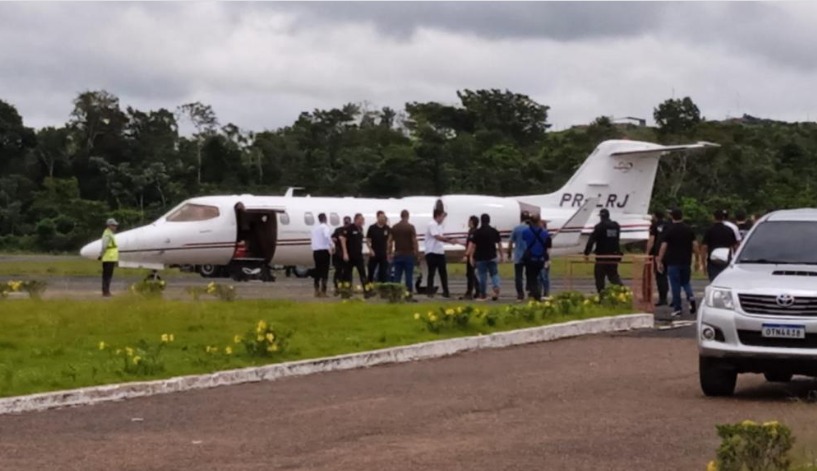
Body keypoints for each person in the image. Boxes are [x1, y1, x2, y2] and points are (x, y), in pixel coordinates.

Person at [657, 208, 701, 317]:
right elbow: (695, 245)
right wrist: (697, 258)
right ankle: (690, 297)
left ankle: (678, 308)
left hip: (673, 261)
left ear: (672, 216)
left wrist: (659, 260)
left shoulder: (669, 230)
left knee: (675, 285)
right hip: (686, 260)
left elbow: (663, 246)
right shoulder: (688, 229)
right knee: (686, 282)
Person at [583, 208, 623, 293]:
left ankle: (602, 295)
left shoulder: (599, 227)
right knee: (613, 276)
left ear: (601, 217)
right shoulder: (616, 226)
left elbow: (591, 240)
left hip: (602, 257)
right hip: (614, 256)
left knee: (599, 277)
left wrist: (586, 253)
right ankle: (623, 291)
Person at [467, 213, 504, 301]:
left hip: (480, 257)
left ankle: (483, 294)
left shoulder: (477, 232)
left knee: (482, 276)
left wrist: (471, 257)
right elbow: (499, 244)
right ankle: (496, 287)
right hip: (492, 256)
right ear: (489, 221)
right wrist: (502, 255)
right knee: (494, 274)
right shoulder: (494, 231)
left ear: (481, 221)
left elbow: (473, 246)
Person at [424, 209, 457, 298]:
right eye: (442, 216)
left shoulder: (439, 226)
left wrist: (449, 239)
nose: (443, 218)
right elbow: (437, 237)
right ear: (438, 216)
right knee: (432, 272)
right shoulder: (432, 224)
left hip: (439, 251)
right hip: (432, 251)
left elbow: (441, 237)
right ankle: (430, 292)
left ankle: (446, 291)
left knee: (443, 272)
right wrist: (449, 241)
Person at [388, 209, 419, 299]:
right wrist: (416, 253)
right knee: (408, 277)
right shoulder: (410, 227)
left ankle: (396, 295)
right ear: (408, 216)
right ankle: (408, 296)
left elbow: (389, 241)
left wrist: (389, 253)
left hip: (398, 254)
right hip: (408, 254)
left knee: (397, 276)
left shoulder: (395, 227)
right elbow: (414, 241)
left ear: (401, 216)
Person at [700, 209, 738, 282]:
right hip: (726, 258)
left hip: (713, 260)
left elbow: (704, 247)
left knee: (714, 280)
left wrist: (703, 262)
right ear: (723, 218)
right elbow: (735, 246)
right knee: (726, 280)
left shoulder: (710, 230)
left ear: (713, 217)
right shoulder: (729, 230)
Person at [522, 214, 549, 301]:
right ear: (539, 221)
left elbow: (524, 239)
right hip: (540, 259)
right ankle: (537, 293)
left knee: (532, 277)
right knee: (538, 276)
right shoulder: (545, 233)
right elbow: (547, 244)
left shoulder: (526, 231)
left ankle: (536, 294)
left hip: (530, 258)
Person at [645, 210, 670, 306]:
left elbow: (652, 240)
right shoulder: (668, 224)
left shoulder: (654, 226)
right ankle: (665, 297)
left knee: (660, 276)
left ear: (655, 216)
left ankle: (662, 299)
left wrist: (647, 253)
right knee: (665, 275)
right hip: (668, 253)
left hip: (657, 253)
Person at [340, 213, 369, 294]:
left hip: (358, 255)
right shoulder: (350, 228)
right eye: (360, 219)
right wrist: (345, 253)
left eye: (362, 220)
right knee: (347, 274)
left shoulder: (360, 229)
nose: (362, 221)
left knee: (362, 273)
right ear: (356, 220)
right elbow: (343, 240)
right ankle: (346, 291)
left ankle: (367, 290)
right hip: (350, 255)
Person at [508, 211, 531, 301]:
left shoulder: (516, 229)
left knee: (518, 276)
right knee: (530, 274)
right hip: (529, 255)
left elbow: (511, 242)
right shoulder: (530, 229)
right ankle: (529, 289)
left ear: (520, 218)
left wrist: (509, 253)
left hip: (518, 255)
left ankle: (520, 294)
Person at [310, 213, 334, 297]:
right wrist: (332, 245)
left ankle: (316, 290)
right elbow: (327, 236)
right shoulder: (325, 227)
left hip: (316, 251)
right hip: (324, 251)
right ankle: (323, 291)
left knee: (317, 270)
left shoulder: (314, 228)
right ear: (325, 218)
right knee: (325, 271)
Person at [366, 210, 391, 284]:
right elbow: (368, 240)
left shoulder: (387, 228)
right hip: (374, 253)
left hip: (383, 254)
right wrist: (370, 250)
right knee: (371, 271)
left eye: (384, 217)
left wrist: (388, 251)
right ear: (377, 217)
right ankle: (369, 286)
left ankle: (382, 287)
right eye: (381, 217)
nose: (383, 219)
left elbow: (389, 240)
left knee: (383, 273)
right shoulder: (372, 228)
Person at [459, 215, 480, 300]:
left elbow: (471, 245)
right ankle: (477, 291)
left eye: (469, 221)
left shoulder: (473, 232)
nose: (468, 222)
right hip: (473, 255)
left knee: (470, 274)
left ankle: (469, 292)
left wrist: (467, 255)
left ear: (472, 222)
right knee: (471, 274)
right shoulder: (473, 231)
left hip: (472, 256)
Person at [98, 218, 119, 297]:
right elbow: (104, 246)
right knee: (107, 276)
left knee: (108, 276)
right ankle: (105, 292)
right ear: (109, 226)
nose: (115, 227)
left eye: (115, 225)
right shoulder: (107, 234)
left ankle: (107, 291)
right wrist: (101, 255)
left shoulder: (110, 233)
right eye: (113, 225)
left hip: (111, 258)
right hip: (108, 258)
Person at [331, 216, 351, 294]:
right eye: (345, 222)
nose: (346, 223)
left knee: (347, 271)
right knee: (338, 270)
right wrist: (334, 240)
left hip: (348, 253)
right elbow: (332, 237)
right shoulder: (338, 230)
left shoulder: (351, 230)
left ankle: (346, 287)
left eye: (348, 222)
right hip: (339, 254)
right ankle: (337, 287)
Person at [538, 219, 553, 298]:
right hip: (540, 258)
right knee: (540, 277)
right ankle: (540, 293)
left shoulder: (547, 237)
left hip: (544, 259)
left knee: (544, 277)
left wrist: (548, 260)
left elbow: (549, 249)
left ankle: (546, 293)